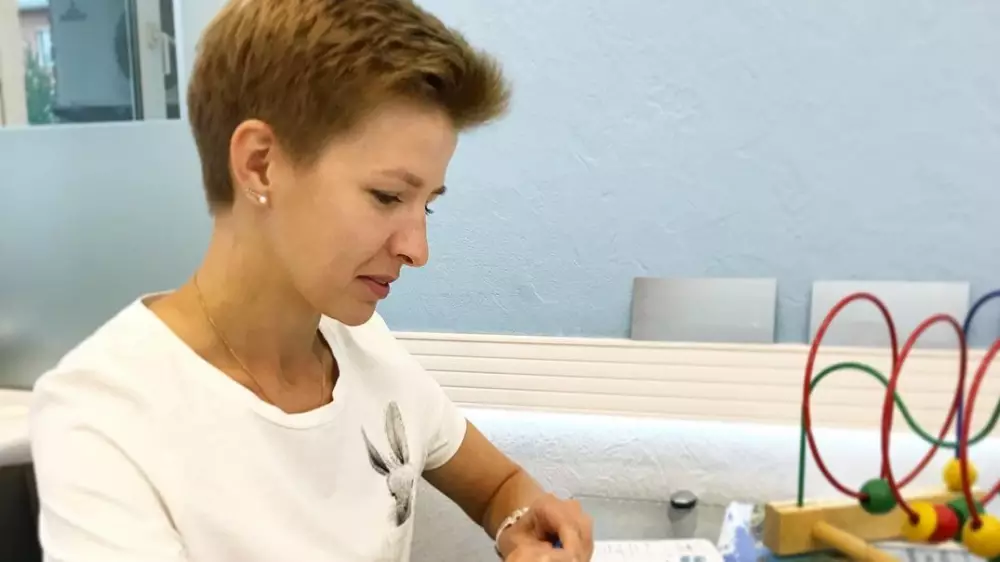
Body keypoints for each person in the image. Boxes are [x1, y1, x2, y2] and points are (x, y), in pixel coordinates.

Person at [27, 0, 594, 561]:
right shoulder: (103, 415)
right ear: (260, 165)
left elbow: (500, 487)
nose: (417, 251)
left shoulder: (364, 346)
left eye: (427, 205)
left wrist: (521, 523)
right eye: (387, 196)